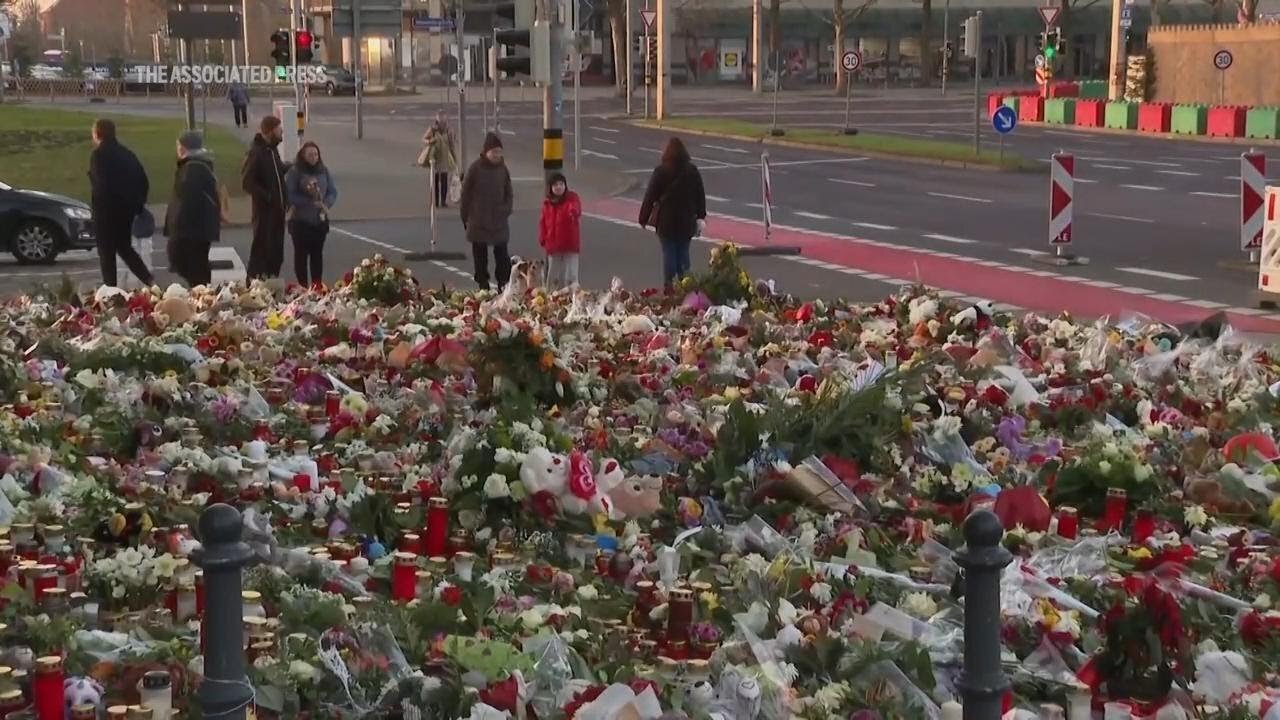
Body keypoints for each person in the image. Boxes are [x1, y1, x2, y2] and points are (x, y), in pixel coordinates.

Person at [88, 118, 154, 287]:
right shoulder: (127, 154)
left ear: (97, 134)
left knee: (107, 253)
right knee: (125, 248)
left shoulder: (98, 155)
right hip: (126, 212)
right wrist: (137, 205)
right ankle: (148, 280)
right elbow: (143, 181)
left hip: (106, 213)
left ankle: (110, 289)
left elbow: (102, 186)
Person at [638, 137, 706, 290]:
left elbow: (650, 196)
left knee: (669, 251)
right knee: (683, 252)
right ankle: (685, 283)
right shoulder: (692, 171)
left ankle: (669, 284)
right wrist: (701, 216)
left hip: (666, 221)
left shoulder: (661, 171)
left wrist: (643, 217)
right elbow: (700, 195)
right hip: (686, 220)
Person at [162, 130, 221, 287]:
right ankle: (202, 294)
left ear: (183, 148)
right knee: (198, 267)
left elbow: (187, 201)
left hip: (190, 230)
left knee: (188, 264)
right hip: (198, 229)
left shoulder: (192, 169)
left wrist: (177, 228)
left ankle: (202, 295)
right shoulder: (198, 166)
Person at [459, 132, 514, 292]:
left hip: (499, 219)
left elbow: (509, 192)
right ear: (486, 152)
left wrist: (506, 209)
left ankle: (503, 283)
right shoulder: (476, 168)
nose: (497, 155)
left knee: (502, 254)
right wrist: (465, 215)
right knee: (480, 254)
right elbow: (466, 193)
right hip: (479, 219)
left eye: (499, 151)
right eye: (494, 152)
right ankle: (482, 283)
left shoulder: (503, 169)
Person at [241, 115, 288, 281]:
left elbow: (277, 170)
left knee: (276, 256)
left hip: (278, 213)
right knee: (262, 254)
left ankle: (271, 287)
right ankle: (253, 288)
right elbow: (247, 182)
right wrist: (267, 196)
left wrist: (291, 165)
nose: (282, 131)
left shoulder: (272, 150)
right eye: (278, 128)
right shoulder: (256, 153)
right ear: (269, 131)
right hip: (264, 214)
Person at [285, 141, 338, 288]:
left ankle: (316, 285)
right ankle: (302, 286)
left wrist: (326, 203)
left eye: (316, 154)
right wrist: (307, 202)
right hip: (300, 222)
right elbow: (289, 195)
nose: (314, 157)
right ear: (303, 156)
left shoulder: (324, 171)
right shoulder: (296, 172)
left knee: (317, 255)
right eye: (310, 155)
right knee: (301, 256)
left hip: (319, 221)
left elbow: (333, 191)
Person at [538, 172, 582, 290]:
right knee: (553, 276)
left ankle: (572, 298)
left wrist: (573, 212)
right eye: (555, 185)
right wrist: (543, 237)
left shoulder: (571, 198)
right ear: (551, 188)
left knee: (571, 275)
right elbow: (543, 222)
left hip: (570, 244)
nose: (558, 187)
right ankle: (551, 298)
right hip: (553, 244)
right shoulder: (547, 203)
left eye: (561, 184)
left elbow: (576, 208)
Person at [421, 110, 456, 208]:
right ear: (437, 120)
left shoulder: (449, 130)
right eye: (440, 120)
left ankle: (443, 201)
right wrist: (430, 141)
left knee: (444, 180)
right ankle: (435, 202)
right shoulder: (432, 129)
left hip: (444, 158)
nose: (442, 123)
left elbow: (452, 145)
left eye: (444, 120)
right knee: (435, 181)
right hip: (434, 158)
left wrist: (454, 158)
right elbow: (424, 139)